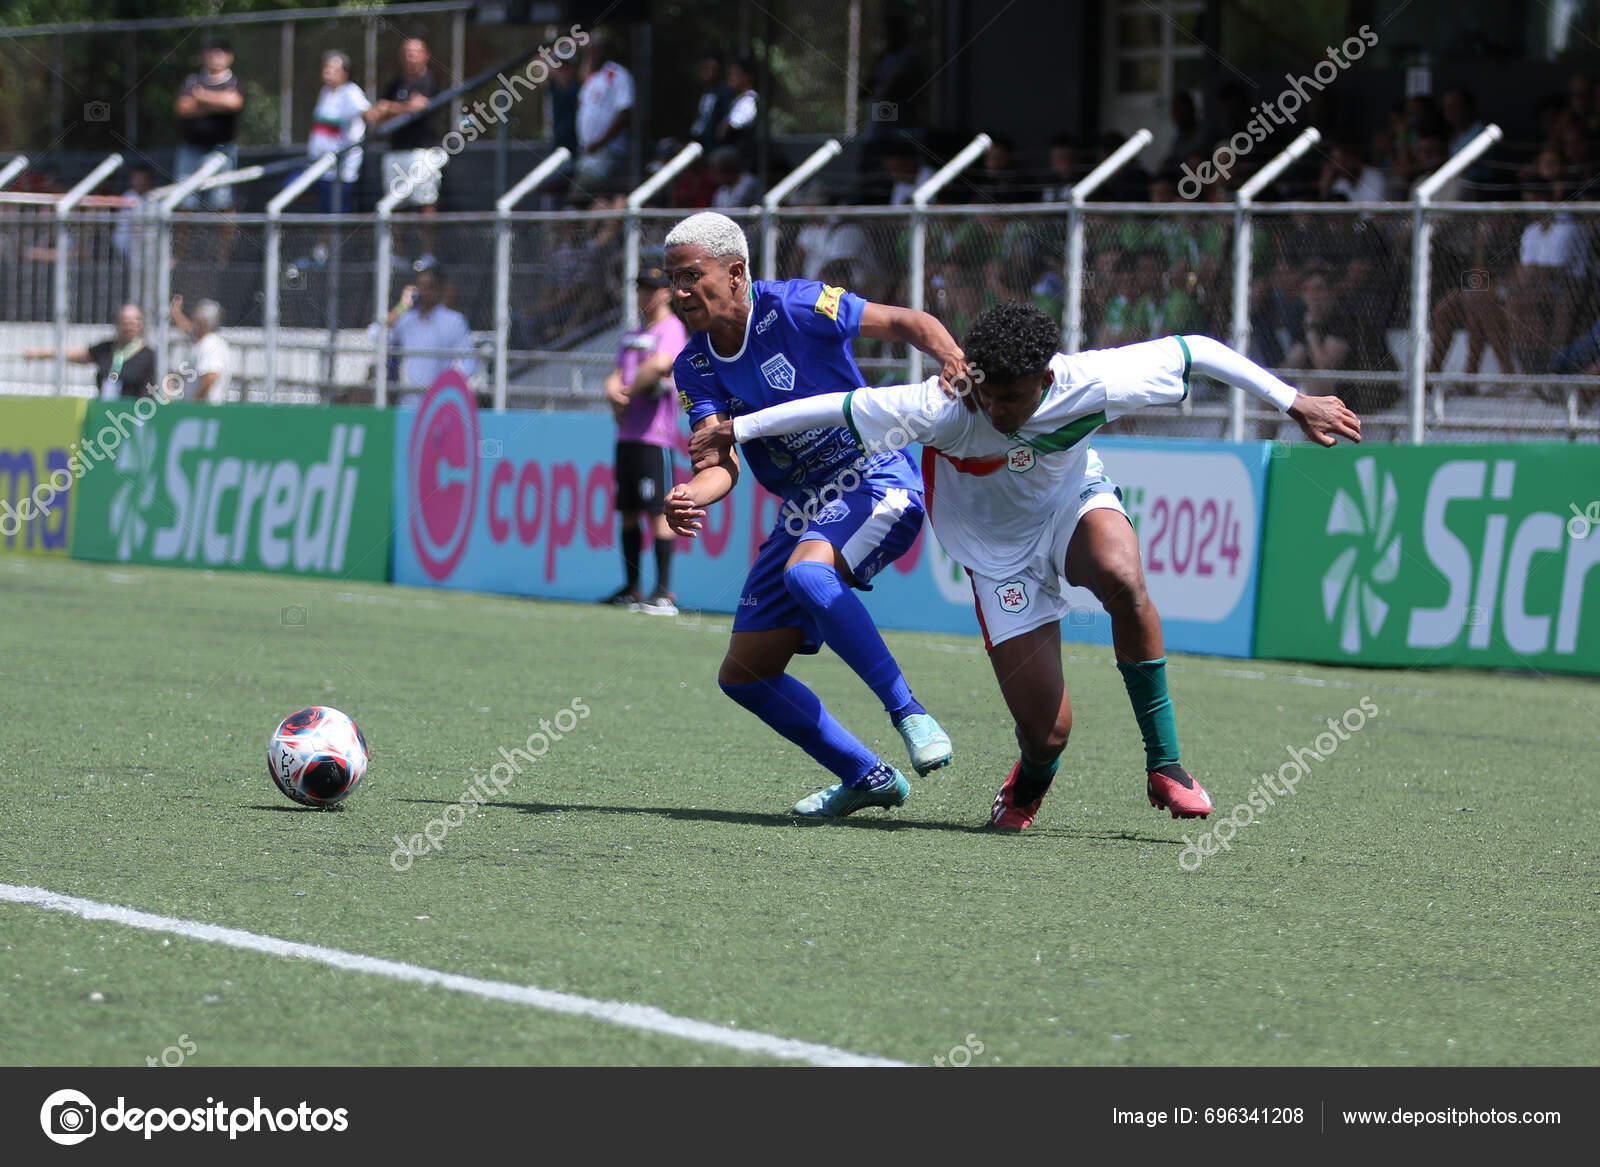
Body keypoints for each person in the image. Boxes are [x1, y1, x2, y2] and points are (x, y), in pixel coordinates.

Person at [689, 303, 1363, 828]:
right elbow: (836, 406)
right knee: (1048, 732)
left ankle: (1167, 764)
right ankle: (1029, 781)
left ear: (1047, 378)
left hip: (1071, 505)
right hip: (995, 556)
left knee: (1124, 580)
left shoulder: (1092, 380)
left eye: (1014, 398)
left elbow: (1200, 349)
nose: (999, 411)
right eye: (991, 396)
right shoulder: (945, 404)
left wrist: (1294, 401)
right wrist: (737, 429)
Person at [660, 211, 958, 817]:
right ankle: (867, 776)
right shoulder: (693, 365)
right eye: (673, 280)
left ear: (735, 272)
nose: (679, 292)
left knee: (807, 572)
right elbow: (721, 464)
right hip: (804, 510)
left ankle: (909, 713)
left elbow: (907, 322)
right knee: (745, 674)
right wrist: (692, 493)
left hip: (874, 476)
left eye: (691, 277)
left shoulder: (798, 305)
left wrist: (952, 357)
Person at [601, 264, 689, 613]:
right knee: (628, 510)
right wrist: (613, 392)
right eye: (640, 289)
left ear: (666, 293)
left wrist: (626, 394)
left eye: (650, 289)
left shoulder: (672, 328)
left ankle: (663, 591)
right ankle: (632, 587)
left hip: (655, 437)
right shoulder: (633, 333)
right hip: (628, 435)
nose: (644, 295)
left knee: (658, 512)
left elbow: (658, 365)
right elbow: (615, 373)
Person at [365, 37, 442, 267]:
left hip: (422, 152)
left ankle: (428, 254)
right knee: (397, 206)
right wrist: (400, 108)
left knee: (425, 203)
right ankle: (398, 254)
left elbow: (417, 108)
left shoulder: (428, 81)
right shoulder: (395, 84)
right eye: (407, 53)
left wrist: (389, 108)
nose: (411, 57)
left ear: (425, 55)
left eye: (415, 52)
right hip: (396, 152)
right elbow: (374, 117)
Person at [306, 50, 370, 263]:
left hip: (341, 170)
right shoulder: (325, 92)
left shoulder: (351, 92)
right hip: (319, 167)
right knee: (320, 208)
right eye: (326, 67)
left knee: (334, 214)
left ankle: (332, 258)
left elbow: (367, 114)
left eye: (333, 69)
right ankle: (321, 255)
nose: (327, 72)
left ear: (345, 72)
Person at [24, 303, 158, 399]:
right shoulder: (107, 349)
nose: (129, 327)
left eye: (133, 323)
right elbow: (76, 355)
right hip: (105, 410)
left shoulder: (149, 356)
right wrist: (39, 354)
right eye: (125, 322)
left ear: (141, 325)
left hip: (132, 416)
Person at [387, 267, 477, 404]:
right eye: (421, 286)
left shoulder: (454, 320)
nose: (424, 291)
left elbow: (469, 362)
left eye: (429, 286)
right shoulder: (406, 319)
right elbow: (376, 335)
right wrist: (402, 306)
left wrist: (448, 386)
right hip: (407, 401)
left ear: (439, 289)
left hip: (439, 403)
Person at [174, 41, 243, 212]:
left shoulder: (234, 82)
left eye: (221, 53)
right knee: (184, 202)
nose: (216, 57)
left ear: (230, 57)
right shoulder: (192, 80)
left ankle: (225, 232)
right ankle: (183, 232)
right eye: (212, 52)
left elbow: (233, 103)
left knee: (223, 202)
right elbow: (183, 107)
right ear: (205, 56)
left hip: (222, 150)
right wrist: (219, 105)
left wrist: (200, 97)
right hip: (190, 148)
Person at [575, 33, 634, 194]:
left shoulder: (617, 74)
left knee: (580, 192)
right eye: (591, 50)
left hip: (608, 150)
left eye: (598, 49)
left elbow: (625, 113)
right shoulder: (591, 78)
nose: (593, 54)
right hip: (588, 152)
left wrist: (600, 142)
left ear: (607, 51)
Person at [169, 295, 232, 403]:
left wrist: (196, 403)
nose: (192, 322)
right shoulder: (202, 341)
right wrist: (176, 313)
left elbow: (211, 376)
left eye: (195, 320)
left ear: (202, 323)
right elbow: (188, 329)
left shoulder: (211, 344)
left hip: (206, 408)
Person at [716, 56, 759, 168]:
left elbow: (725, 131)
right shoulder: (737, 99)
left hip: (740, 160)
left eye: (735, 74)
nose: (731, 78)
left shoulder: (749, 101)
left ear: (747, 77)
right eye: (730, 74)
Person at [688, 51, 732, 148]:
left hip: (710, 144)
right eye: (705, 68)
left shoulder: (724, 91)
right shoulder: (702, 91)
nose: (708, 72)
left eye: (712, 68)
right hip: (696, 139)